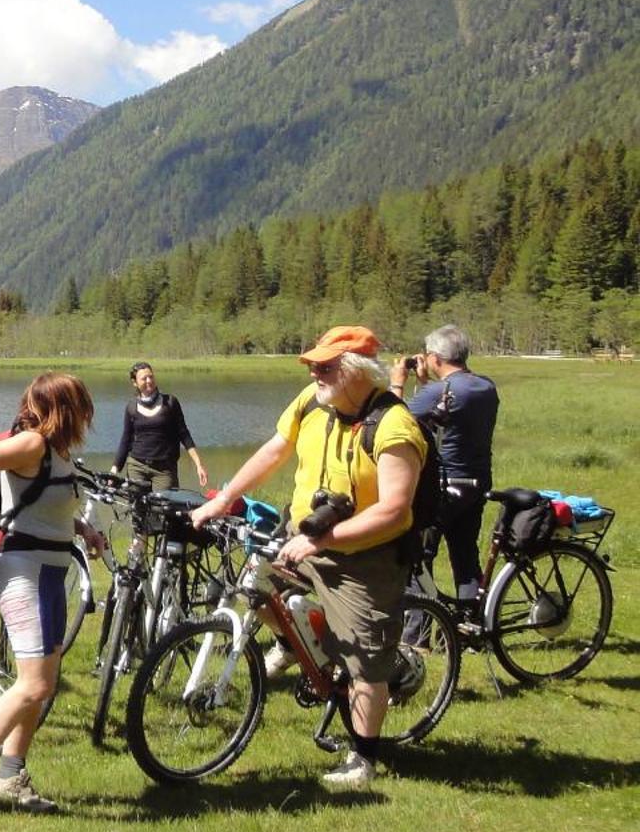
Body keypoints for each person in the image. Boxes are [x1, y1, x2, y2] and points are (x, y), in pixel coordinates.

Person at [191, 326, 422, 790]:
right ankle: (301, 648)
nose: (315, 372)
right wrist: (225, 498)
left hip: (365, 556)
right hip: (304, 537)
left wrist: (324, 540)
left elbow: (395, 509)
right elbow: (275, 450)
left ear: (355, 372)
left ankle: (363, 758)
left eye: (326, 366)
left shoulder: (394, 425)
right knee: (259, 593)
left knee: (365, 662)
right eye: (313, 365)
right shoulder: (312, 402)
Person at [0, 373, 104, 819]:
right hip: (24, 572)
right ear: (65, 407)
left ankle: (11, 775)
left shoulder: (55, 452)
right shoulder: (32, 445)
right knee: (32, 683)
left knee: (43, 685)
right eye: (82, 405)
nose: (88, 414)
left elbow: (40, 506)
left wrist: (84, 528)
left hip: (50, 571)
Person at [392, 325, 499, 611]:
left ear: (435, 358)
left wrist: (398, 382)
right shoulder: (486, 386)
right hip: (476, 483)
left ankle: (419, 635)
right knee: (465, 555)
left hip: (444, 488)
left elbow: (393, 424)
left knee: (419, 558)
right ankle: (471, 622)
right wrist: (427, 383)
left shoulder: (442, 391)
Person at [112, 361, 209, 492]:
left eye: (151, 376)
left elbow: (184, 435)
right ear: (134, 383)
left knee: (162, 509)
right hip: (137, 466)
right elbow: (126, 440)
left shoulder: (170, 403)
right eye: (143, 378)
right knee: (138, 510)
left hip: (164, 470)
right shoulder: (131, 407)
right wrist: (114, 470)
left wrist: (199, 464)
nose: (148, 381)